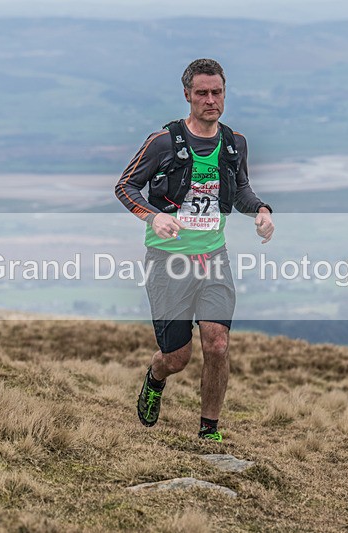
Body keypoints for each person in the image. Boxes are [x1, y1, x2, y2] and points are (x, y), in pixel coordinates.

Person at [115, 58, 274, 441]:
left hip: (213, 259)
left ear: (224, 94)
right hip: (168, 262)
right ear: (187, 95)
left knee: (217, 344)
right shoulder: (163, 142)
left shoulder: (235, 144)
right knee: (177, 358)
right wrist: (153, 217)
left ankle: (209, 430)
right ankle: (155, 377)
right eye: (201, 93)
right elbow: (125, 187)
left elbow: (241, 191)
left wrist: (262, 210)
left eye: (216, 92)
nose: (210, 100)